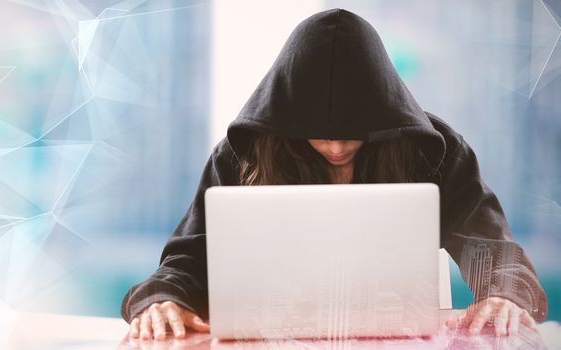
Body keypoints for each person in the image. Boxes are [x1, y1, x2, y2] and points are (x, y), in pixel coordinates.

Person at [121, 8, 548, 341]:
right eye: (317, 135)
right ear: (286, 121)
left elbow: (492, 248)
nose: (337, 147)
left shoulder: (434, 150)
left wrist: (503, 294)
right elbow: (189, 258)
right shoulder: (243, 153)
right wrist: (161, 300)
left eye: (355, 134)